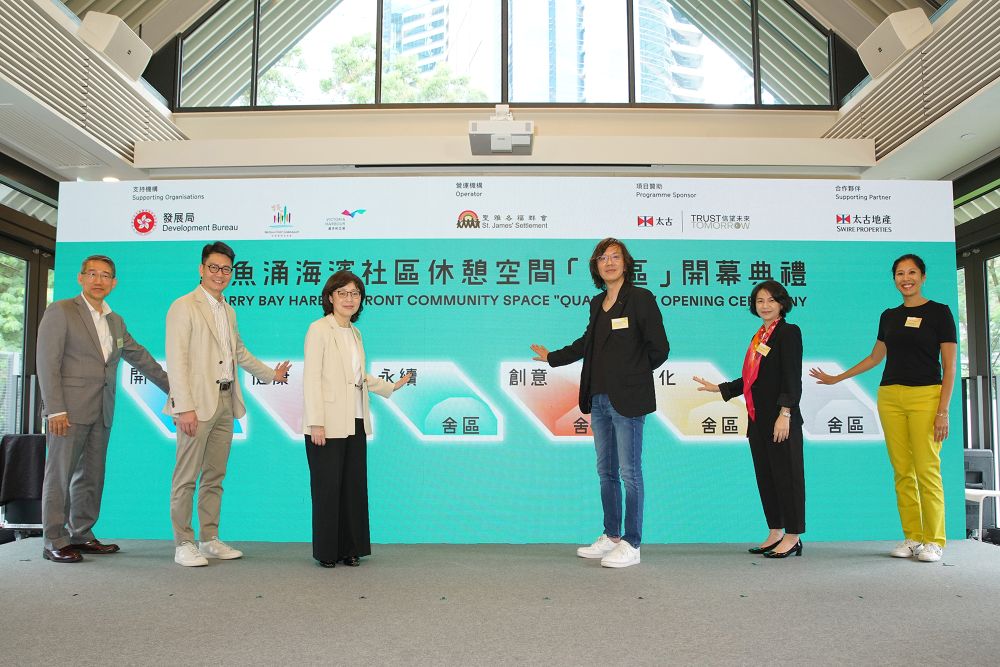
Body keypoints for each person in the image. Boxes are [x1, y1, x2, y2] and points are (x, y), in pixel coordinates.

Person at [530, 238, 669, 568]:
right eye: (603, 258)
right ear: (595, 266)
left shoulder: (640, 299)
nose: (609, 262)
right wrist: (553, 357)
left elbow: (659, 349)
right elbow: (585, 345)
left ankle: (633, 543)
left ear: (626, 263)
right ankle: (612, 536)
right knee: (606, 472)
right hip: (600, 398)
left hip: (628, 400)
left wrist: (631, 375)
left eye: (615, 257)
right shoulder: (597, 304)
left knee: (630, 473)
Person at [810, 254, 956, 563]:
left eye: (912, 272)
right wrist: (838, 378)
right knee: (902, 471)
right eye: (900, 273)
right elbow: (875, 357)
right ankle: (913, 537)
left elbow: (950, 366)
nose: (906, 278)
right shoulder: (888, 315)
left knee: (927, 469)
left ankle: (934, 540)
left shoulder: (940, 313)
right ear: (894, 279)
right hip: (890, 396)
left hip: (926, 396)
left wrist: (943, 410)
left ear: (923, 276)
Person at [164, 241, 291, 567]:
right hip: (196, 405)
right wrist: (184, 406)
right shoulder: (184, 306)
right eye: (214, 267)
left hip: (225, 400)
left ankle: (208, 539)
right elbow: (176, 361)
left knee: (214, 475)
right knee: (186, 477)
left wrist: (272, 375)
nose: (220, 274)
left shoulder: (228, 310)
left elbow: (240, 353)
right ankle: (183, 543)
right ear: (201, 269)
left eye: (226, 269)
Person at [36, 254, 169, 563]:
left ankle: (81, 533)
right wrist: (55, 409)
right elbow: (47, 362)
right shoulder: (62, 311)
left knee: (91, 476)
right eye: (92, 274)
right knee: (59, 475)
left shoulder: (115, 320)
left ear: (114, 282)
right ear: (81, 278)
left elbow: (140, 357)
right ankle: (54, 539)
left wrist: (176, 389)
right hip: (66, 412)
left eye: (105, 275)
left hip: (102, 410)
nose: (99, 280)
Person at [302, 271, 412, 568]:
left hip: (356, 419)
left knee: (353, 488)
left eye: (355, 294)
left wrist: (391, 386)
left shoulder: (355, 333)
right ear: (330, 297)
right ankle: (327, 552)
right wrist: (315, 422)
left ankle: (351, 549)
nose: (349, 299)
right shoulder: (319, 329)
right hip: (326, 422)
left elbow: (357, 378)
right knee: (327, 489)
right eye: (343, 293)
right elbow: (311, 378)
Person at [693, 280, 805, 558]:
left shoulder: (788, 333)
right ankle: (775, 531)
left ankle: (793, 536)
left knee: (787, 476)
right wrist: (720, 388)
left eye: (770, 300)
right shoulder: (760, 337)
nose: (765, 306)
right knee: (767, 477)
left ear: (782, 303)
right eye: (759, 301)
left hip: (780, 418)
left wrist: (785, 412)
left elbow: (791, 376)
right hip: (757, 418)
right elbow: (752, 380)